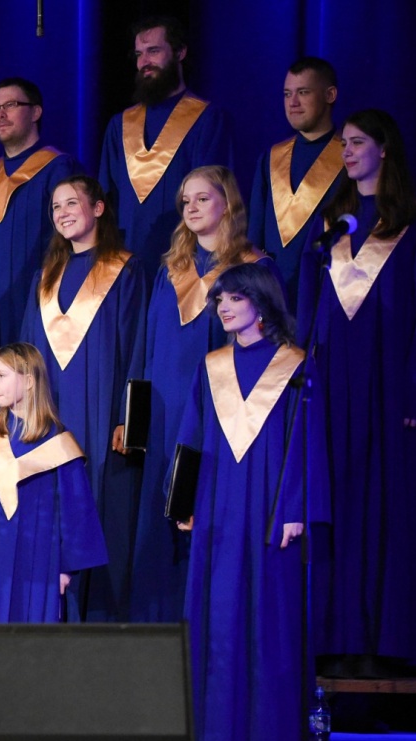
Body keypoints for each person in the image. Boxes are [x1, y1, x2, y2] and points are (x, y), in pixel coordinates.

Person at [299, 109, 416, 675]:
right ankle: (337, 641)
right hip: (336, 389)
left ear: (386, 148)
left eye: (358, 142)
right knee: (340, 504)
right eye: (344, 144)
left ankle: (392, 647)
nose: (348, 151)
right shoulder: (333, 224)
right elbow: (310, 308)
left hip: (391, 392)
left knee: (389, 511)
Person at [176, 263, 326, 741]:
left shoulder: (294, 365)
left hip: (270, 506)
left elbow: (306, 442)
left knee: (268, 614)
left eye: (234, 299)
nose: (223, 307)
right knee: (217, 610)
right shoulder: (212, 365)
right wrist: (183, 500)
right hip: (217, 502)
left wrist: (296, 508)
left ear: (259, 303)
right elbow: (192, 436)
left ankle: (269, 725)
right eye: (220, 300)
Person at [130, 165, 274, 623]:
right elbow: (145, 350)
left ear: (227, 203)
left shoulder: (254, 270)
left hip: (219, 414)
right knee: (164, 517)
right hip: (165, 411)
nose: (190, 208)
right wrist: (133, 420)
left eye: (202, 199)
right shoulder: (170, 271)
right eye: (185, 202)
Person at [20, 175, 147, 622]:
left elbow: (136, 348)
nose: (63, 213)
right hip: (53, 414)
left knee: (101, 508)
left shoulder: (124, 270)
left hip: (103, 414)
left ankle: (100, 624)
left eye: (72, 203)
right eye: (56, 207)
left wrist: (127, 419)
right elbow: (26, 353)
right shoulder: (44, 277)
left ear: (97, 208)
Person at [0, 342, 108, 623]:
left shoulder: (59, 444)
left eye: (2, 376)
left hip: (40, 562)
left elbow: (77, 513)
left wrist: (67, 569)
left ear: (29, 381)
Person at [99, 15, 233, 281]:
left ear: (180, 52)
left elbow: (216, 200)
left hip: (185, 264)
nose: (144, 62)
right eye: (139, 54)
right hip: (125, 266)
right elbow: (106, 199)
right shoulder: (120, 125)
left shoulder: (207, 119)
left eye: (154, 51)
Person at [0, 77, 81, 345]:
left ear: (36, 112)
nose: (1, 114)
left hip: (43, 302)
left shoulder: (59, 169)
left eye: (11, 105)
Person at [248, 57, 344, 303]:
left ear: (330, 95)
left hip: (326, 293)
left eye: (303, 92)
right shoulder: (271, 158)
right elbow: (254, 238)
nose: (293, 102)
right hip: (273, 298)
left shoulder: (349, 157)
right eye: (287, 93)